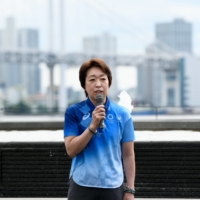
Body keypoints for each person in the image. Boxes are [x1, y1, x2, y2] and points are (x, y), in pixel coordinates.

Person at [64, 58, 136, 200]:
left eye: (103, 79)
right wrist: (92, 127)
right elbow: (71, 150)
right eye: (92, 80)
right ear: (84, 85)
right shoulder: (73, 112)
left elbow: (128, 155)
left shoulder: (122, 114)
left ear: (109, 83)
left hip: (113, 185)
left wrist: (130, 190)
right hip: (82, 184)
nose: (98, 84)